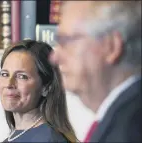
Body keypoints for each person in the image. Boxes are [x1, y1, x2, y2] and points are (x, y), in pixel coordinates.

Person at [50, 1, 141, 142]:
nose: (54, 57)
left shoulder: (129, 131)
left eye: (66, 41)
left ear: (111, 47)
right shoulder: (122, 117)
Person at [0, 39, 77, 142]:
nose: (9, 84)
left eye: (22, 76)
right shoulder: (12, 138)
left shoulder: (49, 139)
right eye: (5, 74)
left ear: (46, 87)